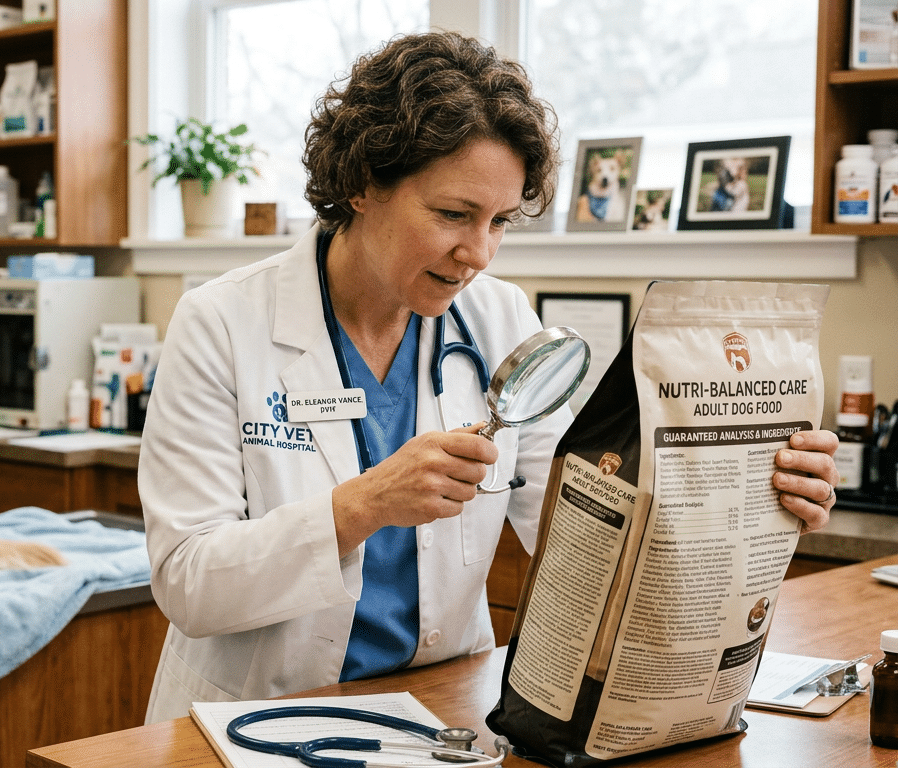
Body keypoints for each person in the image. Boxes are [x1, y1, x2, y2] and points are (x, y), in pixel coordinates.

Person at [136, 31, 840, 724]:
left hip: (442, 713)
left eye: (501, 220)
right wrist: (363, 505)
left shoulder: (499, 321)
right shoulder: (221, 323)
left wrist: (750, 506)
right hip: (258, 720)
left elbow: (585, 542)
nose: (478, 252)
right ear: (360, 183)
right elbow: (189, 585)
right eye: (453, 214)